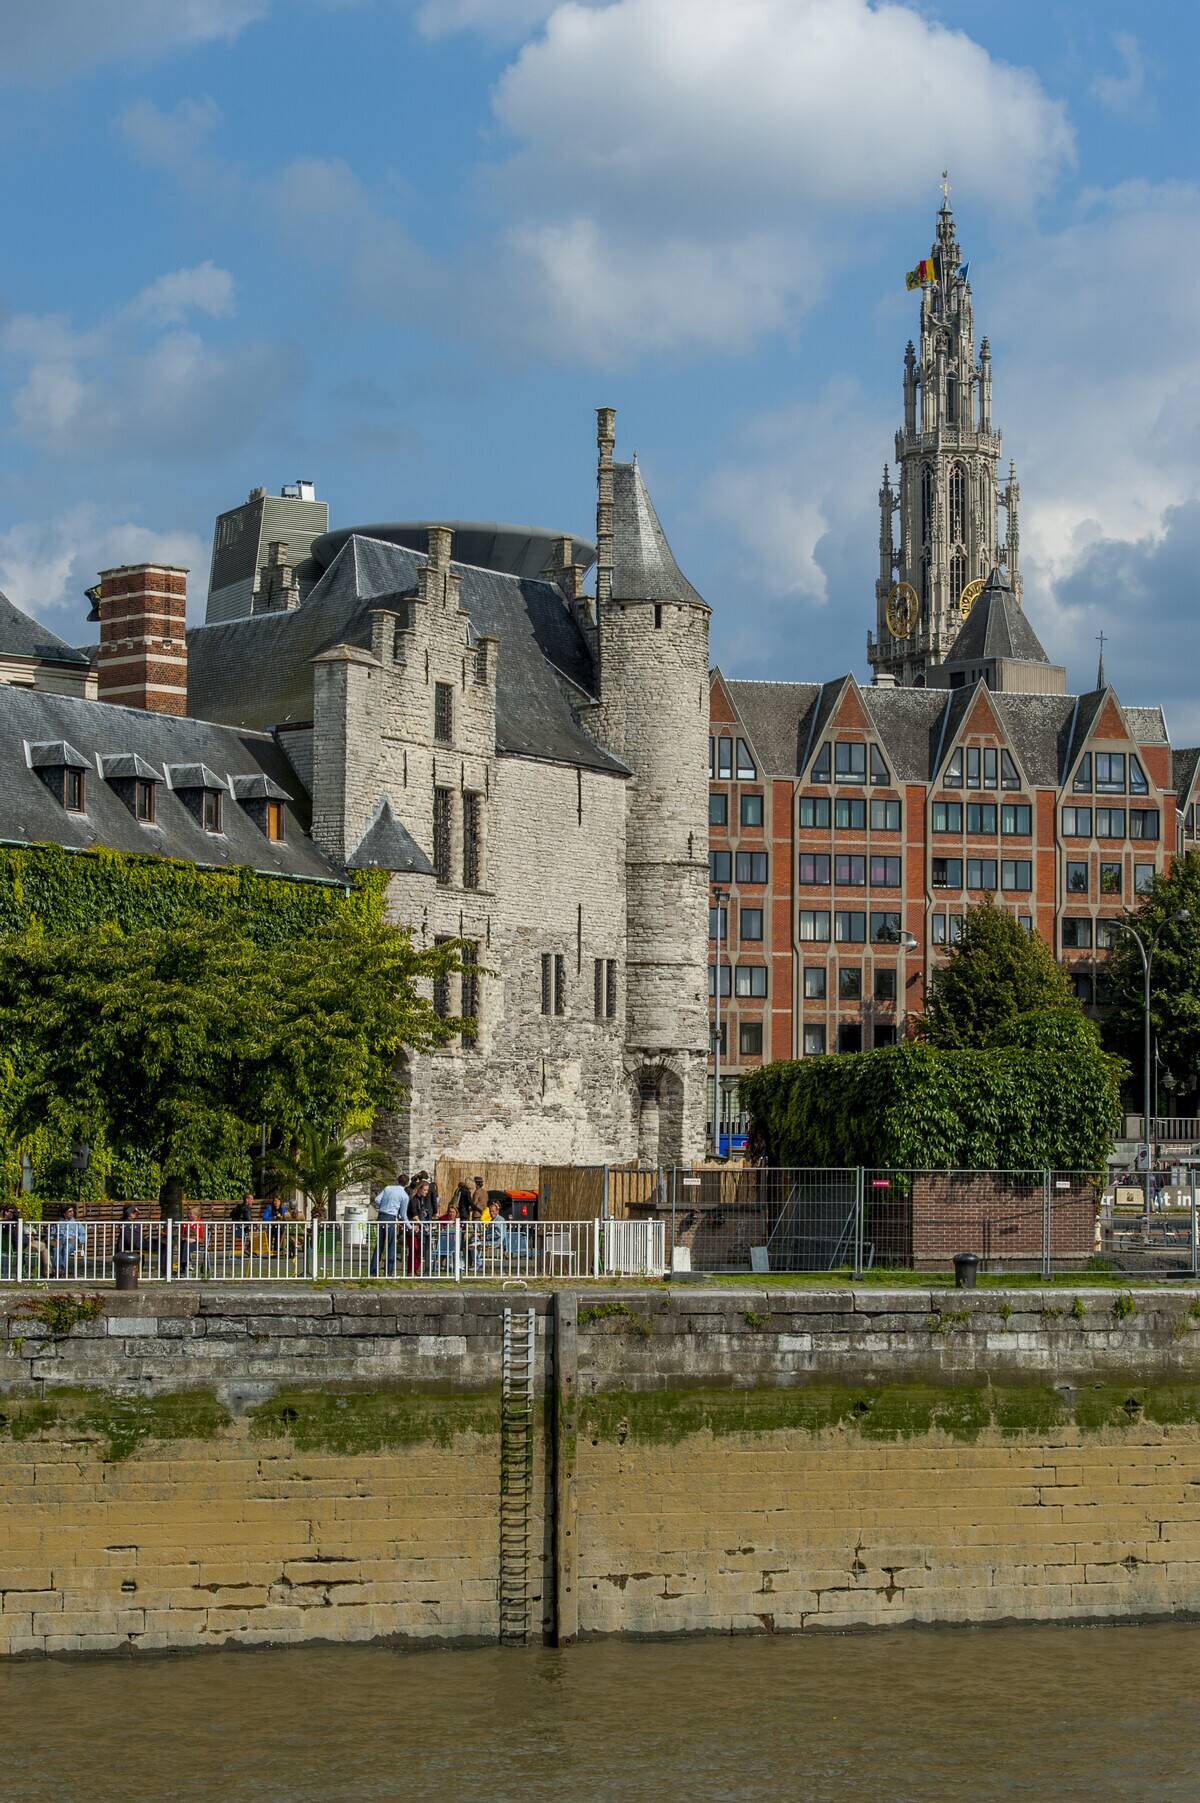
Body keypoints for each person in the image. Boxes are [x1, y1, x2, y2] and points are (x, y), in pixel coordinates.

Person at [370, 1174, 409, 1277]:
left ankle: (373, 1271)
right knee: (391, 1245)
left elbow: (377, 1199)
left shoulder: (388, 1188)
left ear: (397, 1180)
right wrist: (410, 1226)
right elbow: (403, 1215)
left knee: (379, 1245)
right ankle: (389, 1272)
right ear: (407, 1183)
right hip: (391, 1218)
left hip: (381, 1215)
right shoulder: (404, 1196)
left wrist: (383, 1206)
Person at [51, 1205, 87, 1278]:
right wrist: (53, 1240)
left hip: (70, 1241)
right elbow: (51, 1234)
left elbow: (84, 1235)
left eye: (73, 1211)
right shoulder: (58, 1223)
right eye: (70, 1211)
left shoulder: (77, 1223)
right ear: (64, 1213)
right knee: (56, 1249)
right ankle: (60, 1269)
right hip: (60, 1240)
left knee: (66, 1249)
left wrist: (77, 1239)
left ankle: (61, 1269)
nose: (72, 1213)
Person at [178, 1203, 206, 1277]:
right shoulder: (185, 1223)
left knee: (186, 1245)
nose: (189, 1215)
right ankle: (185, 1263)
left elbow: (203, 1239)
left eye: (191, 1214)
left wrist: (195, 1239)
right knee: (184, 1244)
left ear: (197, 1215)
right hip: (185, 1242)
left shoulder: (202, 1224)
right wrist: (185, 1238)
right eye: (189, 1214)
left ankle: (183, 1265)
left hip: (196, 1244)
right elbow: (181, 1235)